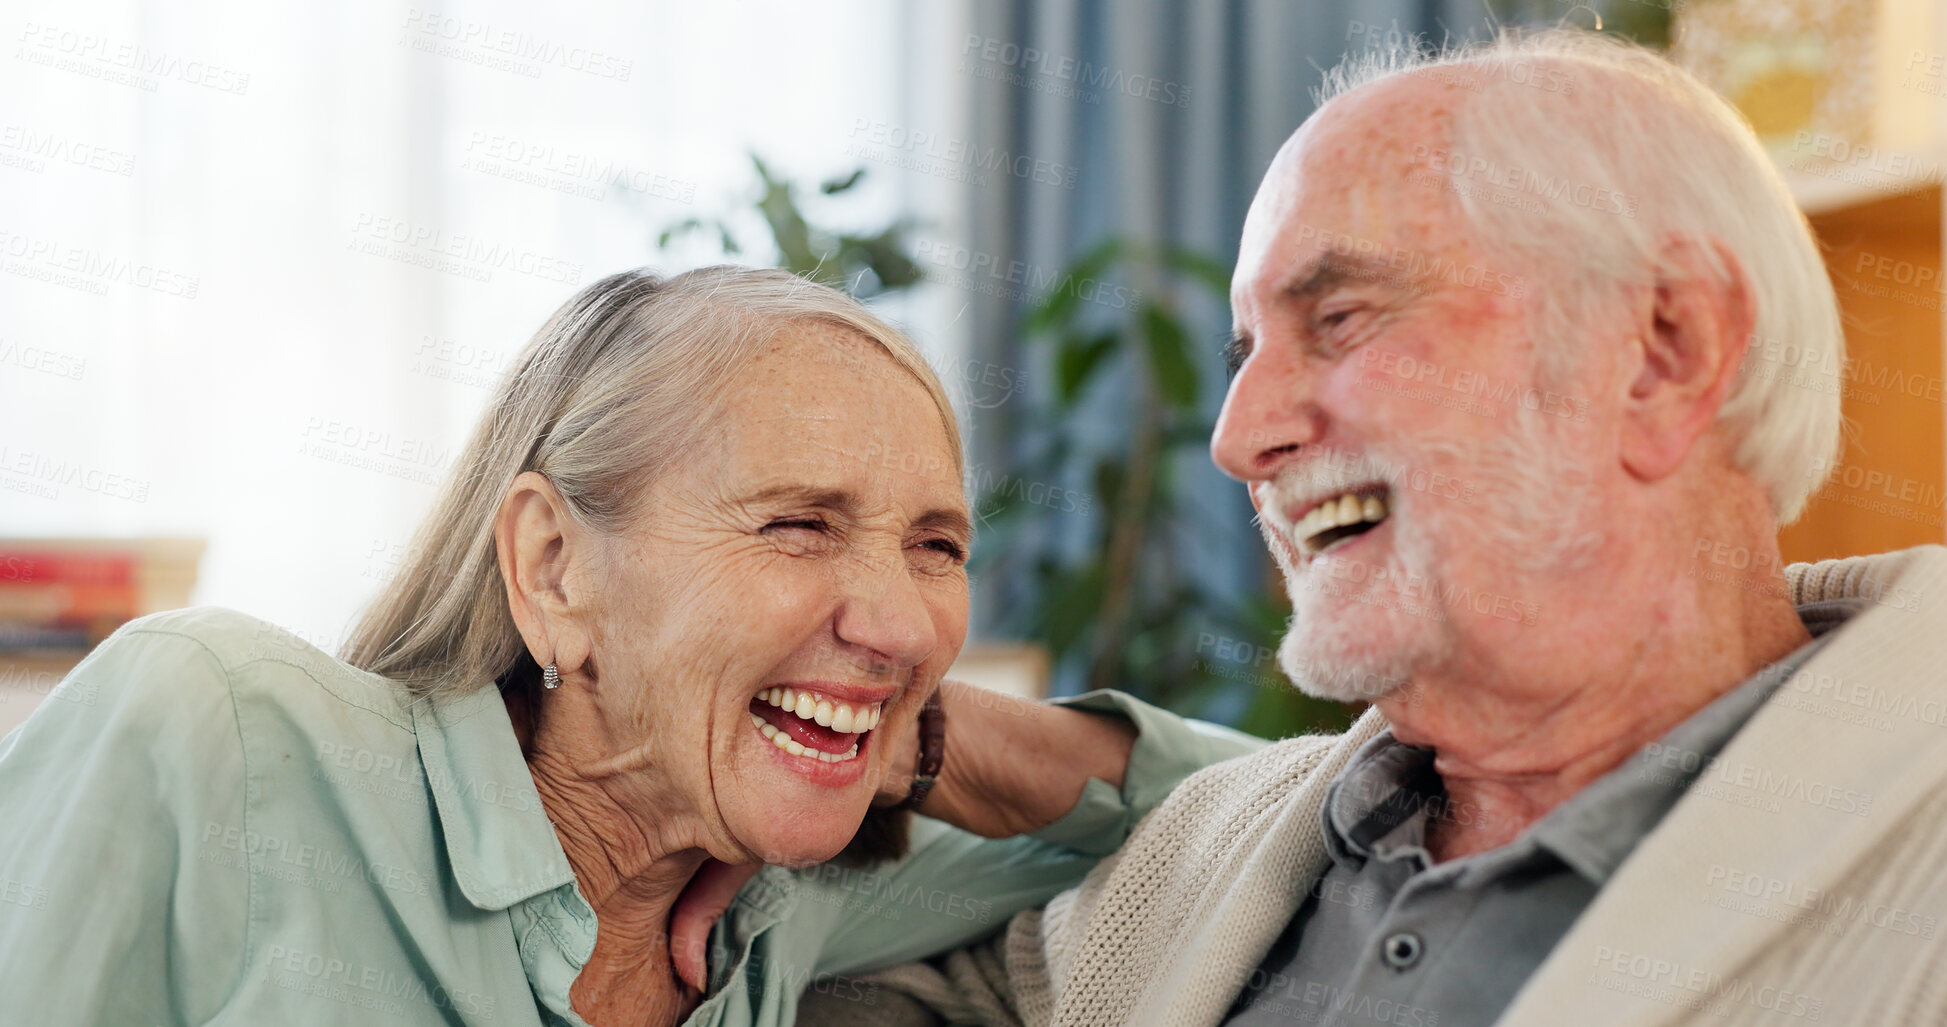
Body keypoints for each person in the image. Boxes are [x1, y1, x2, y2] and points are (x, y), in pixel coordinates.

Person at [808, 28, 1947, 1027]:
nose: (1236, 435)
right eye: (1245, 352)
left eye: (1342, 316)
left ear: (1666, 351)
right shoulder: (1201, 858)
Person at [0, 266, 1258, 1026]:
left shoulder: (794, 888)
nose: (896, 620)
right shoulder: (217, 733)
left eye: (937, 546)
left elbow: (1257, 819)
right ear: (554, 568)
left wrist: (920, 731)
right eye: (796, 524)